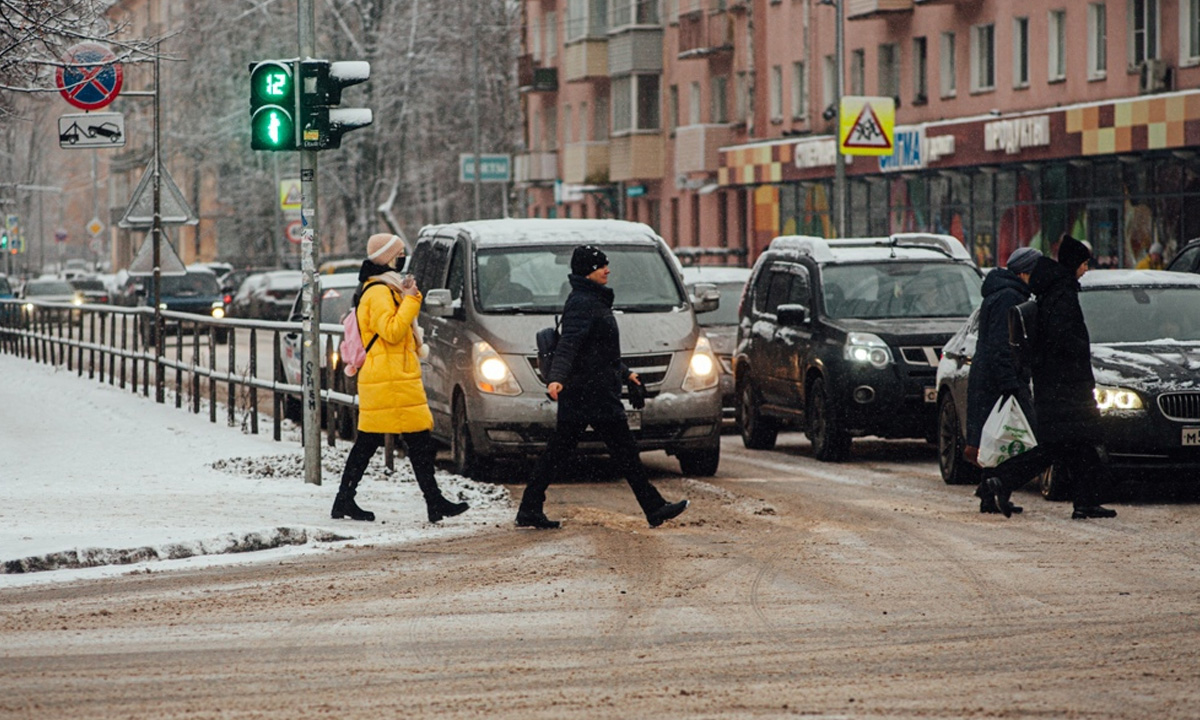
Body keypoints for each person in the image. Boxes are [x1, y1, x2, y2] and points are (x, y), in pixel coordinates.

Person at [515, 245, 689, 529]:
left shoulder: (593, 299)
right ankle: (654, 508)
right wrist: (555, 377)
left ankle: (529, 508)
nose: (607, 270)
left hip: (592, 391)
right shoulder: (583, 302)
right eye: (601, 266)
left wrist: (626, 373)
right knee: (623, 454)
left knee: (563, 454)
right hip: (588, 393)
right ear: (587, 271)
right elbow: (569, 344)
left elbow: (596, 351)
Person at [332, 233, 469, 524]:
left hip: (392, 376)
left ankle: (348, 500)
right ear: (387, 258)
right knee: (403, 442)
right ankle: (431, 502)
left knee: (391, 442)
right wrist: (410, 301)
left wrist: (407, 296)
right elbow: (392, 332)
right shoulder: (378, 292)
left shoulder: (382, 288)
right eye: (399, 253)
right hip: (390, 378)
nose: (403, 257)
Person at [979, 235, 1118, 520]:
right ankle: (1003, 479)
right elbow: (1063, 341)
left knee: (1076, 446)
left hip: (1055, 385)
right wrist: (1078, 359)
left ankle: (1084, 503)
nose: (1085, 270)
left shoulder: (1052, 291)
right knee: (1061, 447)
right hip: (1066, 387)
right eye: (1083, 264)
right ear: (1073, 264)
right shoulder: (1062, 294)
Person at [967, 247, 1042, 515]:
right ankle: (1000, 485)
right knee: (1026, 438)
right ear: (1024, 272)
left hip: (990, 376)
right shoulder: (1009, 297)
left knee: (998, 437)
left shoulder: (1001, 293)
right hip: (1000, 378)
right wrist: (1010, 381)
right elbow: (1001, 344)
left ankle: (990, 493)